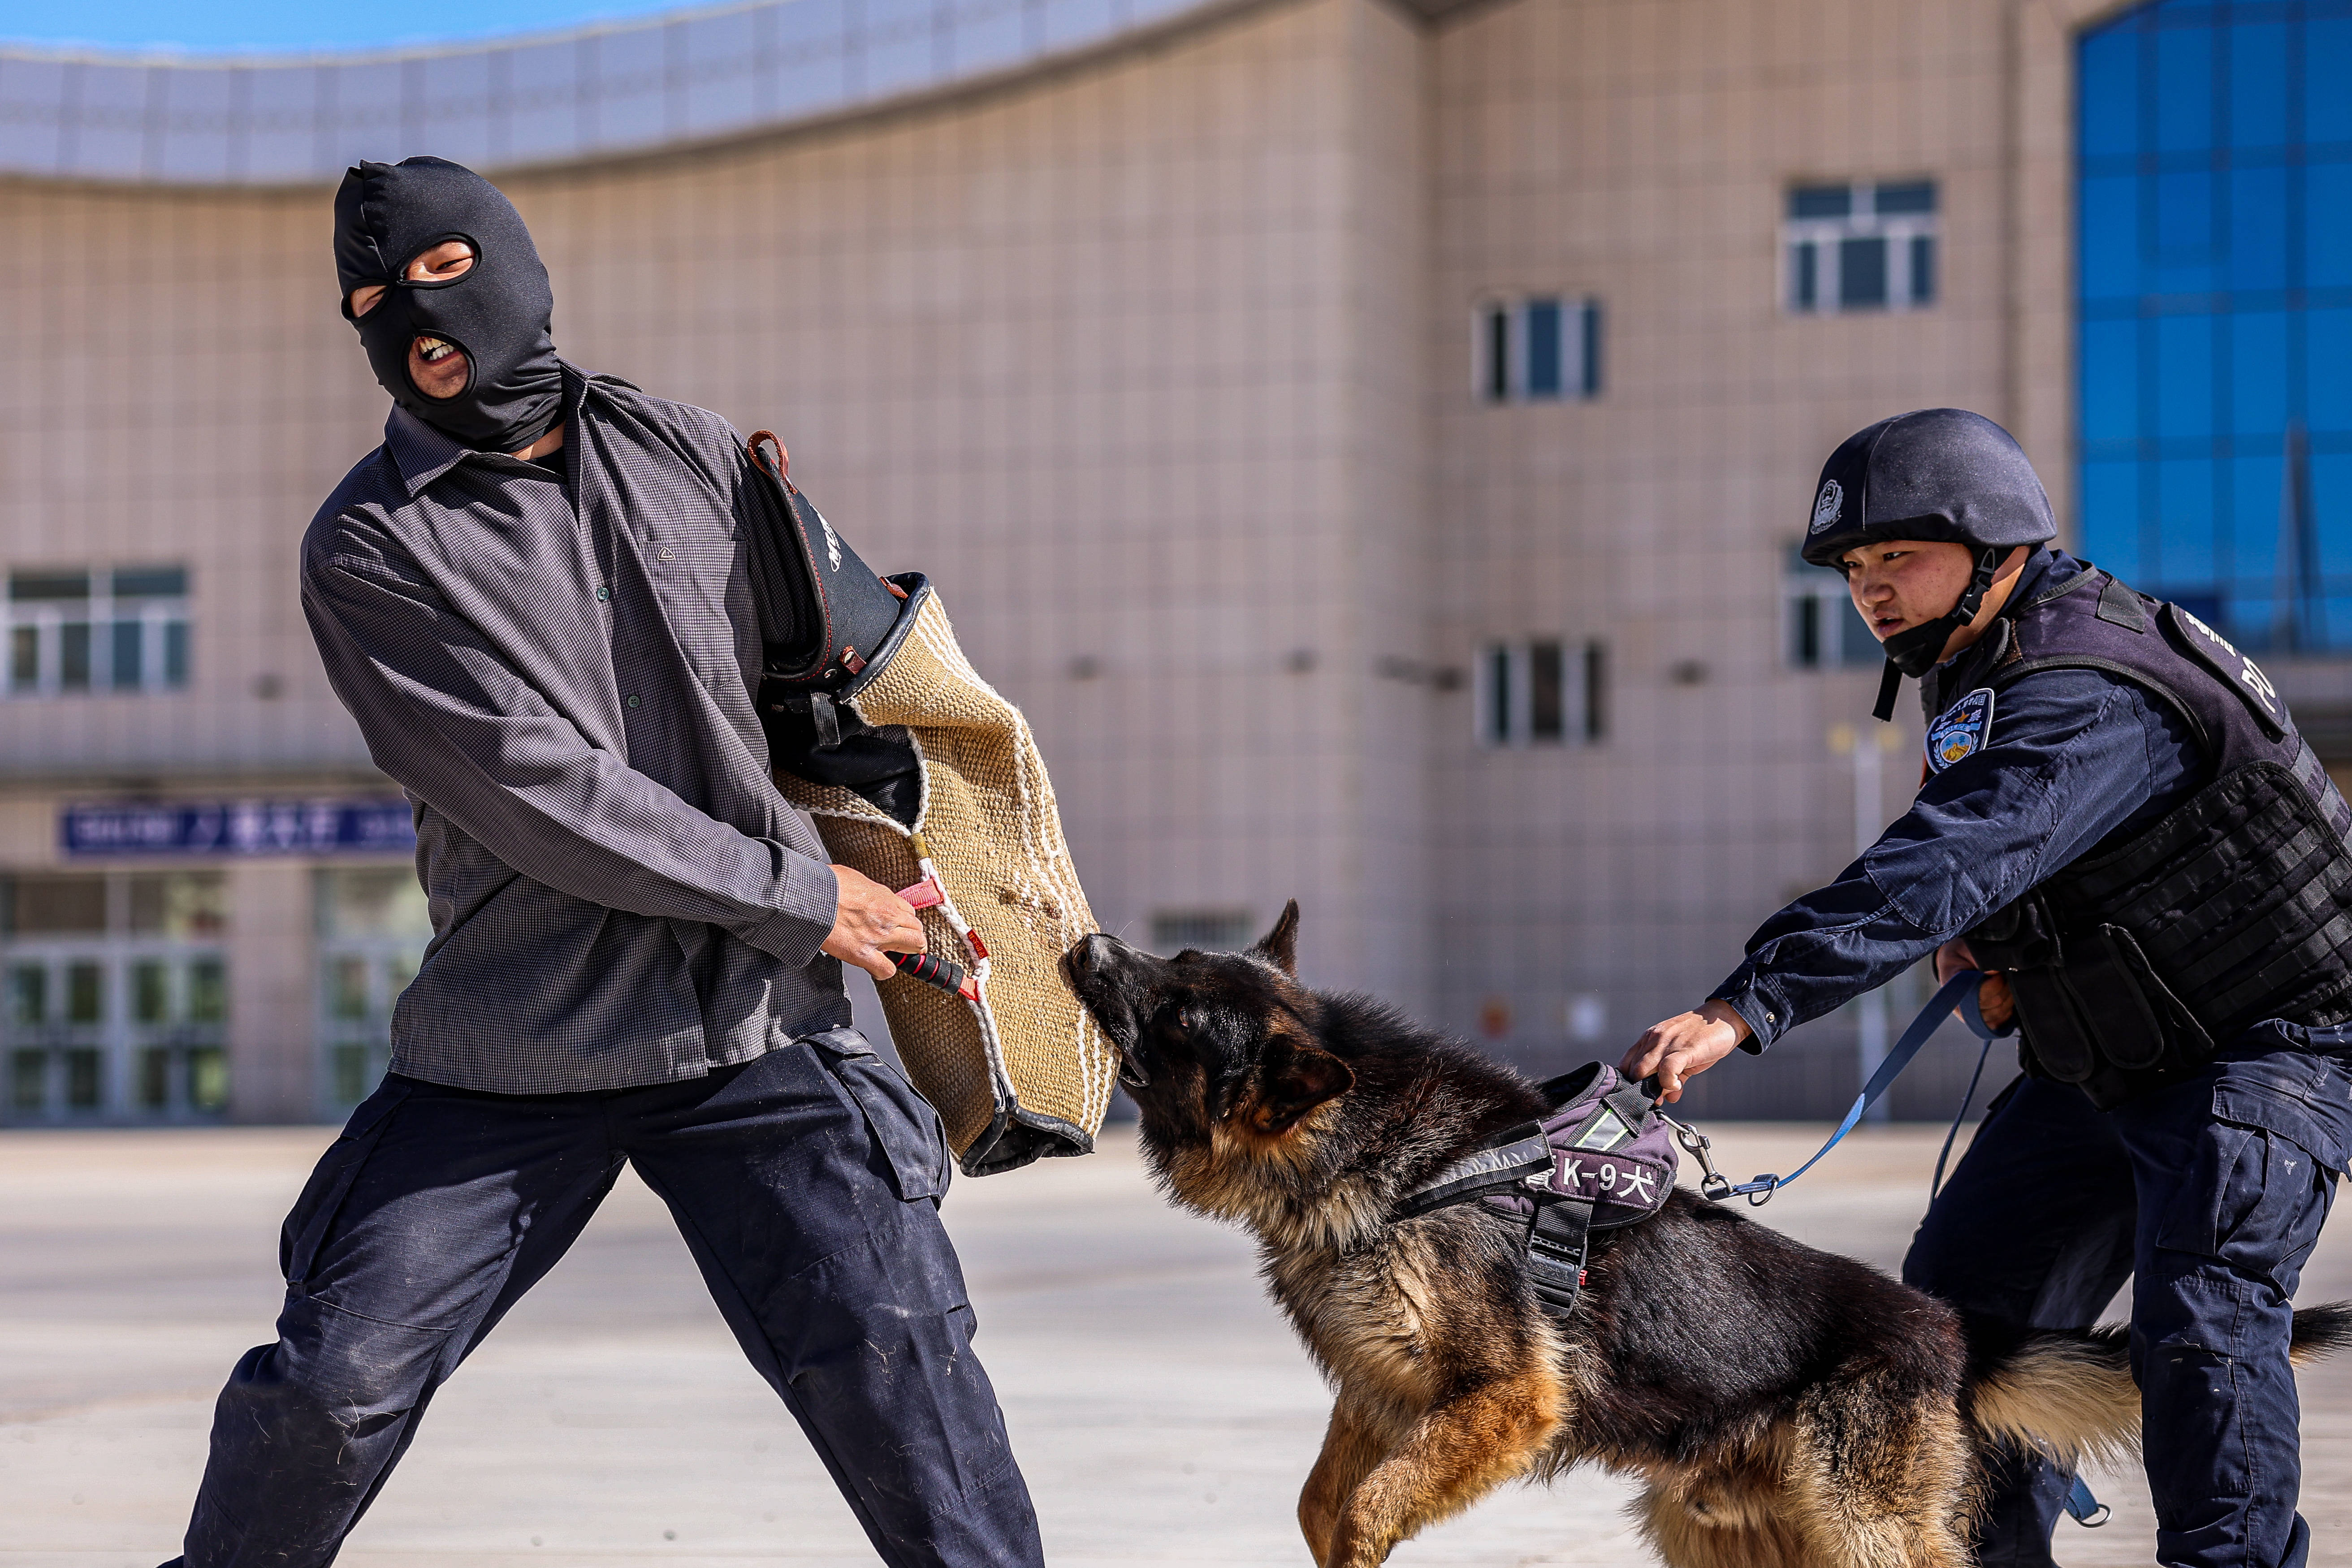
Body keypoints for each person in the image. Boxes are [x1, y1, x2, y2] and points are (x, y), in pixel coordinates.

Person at [158, 156, 1043, 1568]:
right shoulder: (370, 545)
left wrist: (946, 847)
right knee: (331, 1388)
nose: (414, 320)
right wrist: (816, 896)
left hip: (752, 1030)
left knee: (907, 1364)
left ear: (513, 267)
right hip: (518, 1049)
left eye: (445, 274)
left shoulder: (688, 450)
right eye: (373, 299)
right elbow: (546, 795)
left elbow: (822, 690)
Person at [1622, 407, 2352, 1568]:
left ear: (1995, 543)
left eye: (1897, 555)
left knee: (2203, 1324)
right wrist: (1998, 943)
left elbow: (1948, 858)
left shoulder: (2086, 673)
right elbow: (2007, 865)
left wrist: (1742, 1004)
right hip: (2104, 1061)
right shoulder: (1979, 666)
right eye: (1855, 568)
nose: (1870, 588)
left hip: (2265, 1048)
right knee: (1954, 1324)